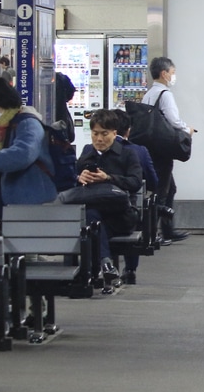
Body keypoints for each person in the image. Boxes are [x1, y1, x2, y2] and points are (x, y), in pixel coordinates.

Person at [72, 109, 143, 284]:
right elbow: (74, 181)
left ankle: (99, 267)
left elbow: (135, 182)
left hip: (121, 214)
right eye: (95, 134)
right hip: (95, 211)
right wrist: (79, 178)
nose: (99, 139)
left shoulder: (127, 153)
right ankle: (105, 264)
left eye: (104, 134)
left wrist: (109, 178)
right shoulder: (87, 152)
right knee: (93, 221)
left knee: (93, 224)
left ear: (114, 133)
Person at [0, 76, 57, 217]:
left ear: (4, 101)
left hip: (31, 202)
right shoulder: (1, 128)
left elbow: (22, 155)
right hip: (7, 200)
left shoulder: (28, 124)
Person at [141, 56, 193, 244]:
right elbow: (173, 121)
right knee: (161, 191)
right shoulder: (165, 94)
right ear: (164, 74)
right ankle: (152, 233)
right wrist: (188, 130)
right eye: (172, 73)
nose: (173, 76)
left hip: (151, 148)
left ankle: (167, 229)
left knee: (169, 189)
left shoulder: (149, 94)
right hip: (162, 150)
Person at [116, 110, 159, 286]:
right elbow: (153, 180)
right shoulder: (140, 151)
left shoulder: (93, 151)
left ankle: (107, 266)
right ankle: (130, 269)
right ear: (128, 130)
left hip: (101, 212)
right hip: (131, 212)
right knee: (137, 214)